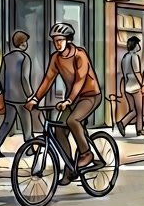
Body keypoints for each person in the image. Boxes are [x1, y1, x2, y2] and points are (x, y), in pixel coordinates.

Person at [25, 22, 102, 183]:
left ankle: (86, 153)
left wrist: (68, 100)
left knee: (72, 120)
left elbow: (80, 80)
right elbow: (47, 80)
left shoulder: (80, 55)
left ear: (68, 40)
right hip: (72, 99)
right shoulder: (56, 58)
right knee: (59, 131)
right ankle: (70, 169)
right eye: (55, 41)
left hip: (90, 95)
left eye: (60, 40)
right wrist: (35, 98)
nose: (57, 43)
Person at [0, 30, 36, 157]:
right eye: (25, 41)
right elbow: (25, 78)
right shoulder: (25, 58)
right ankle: (30, 148)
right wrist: (30, 94)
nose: (26, 43)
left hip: (9, 97)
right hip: (22, 98)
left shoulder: (7, 58)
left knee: (7, 122)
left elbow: (1, 78)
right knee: (27, 124)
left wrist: (4, 92)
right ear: (22, 43)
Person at [116, 36, 144, 137]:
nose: (139, 46)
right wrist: (143, 84)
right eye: (138, 44)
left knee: (133, 109)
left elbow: (124, 73)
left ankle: (126, 124)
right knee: (139, 109)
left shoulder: (125, 57)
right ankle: (136, 128)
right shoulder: (134, 57)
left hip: (127, 86)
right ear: (135, 45)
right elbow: (137, 72)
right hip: (135, 86)